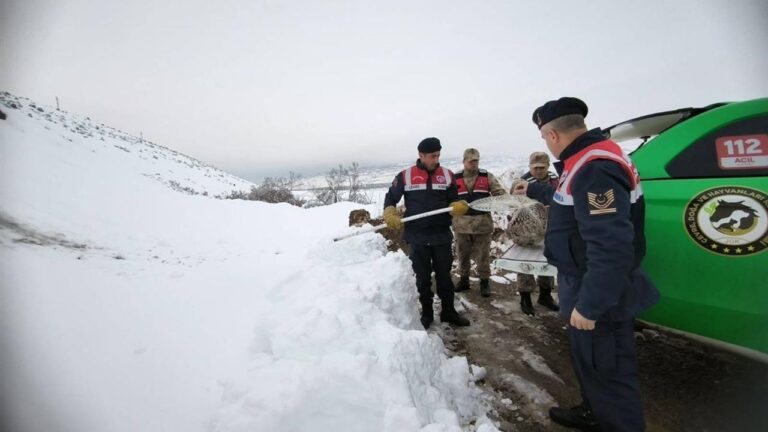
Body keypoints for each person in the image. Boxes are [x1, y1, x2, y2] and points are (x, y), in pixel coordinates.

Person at [514, 97, 659, 432]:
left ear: (552, 136)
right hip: (583, 280)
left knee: (608, 369)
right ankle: (594, 411)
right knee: (589, 362)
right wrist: (536, 190)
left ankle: (615, 420)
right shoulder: (584, 160)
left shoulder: (594, 166)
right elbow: (572, 203)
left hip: (596, 288)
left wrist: (591, 305)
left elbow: (610, 245)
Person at [383, 137, 472, 329]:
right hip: (417, 237)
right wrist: (389, 211)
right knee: (422, 278)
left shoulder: (447, 175)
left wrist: (457, 206)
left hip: (441, 235)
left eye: (438, 155)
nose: (436, 160)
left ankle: (448, 312)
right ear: (421, 155)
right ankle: (427, 313)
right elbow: (390, 197)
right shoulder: (406, 176)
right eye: (432, 156)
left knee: (444, 277)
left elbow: (453, 200)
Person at [452, 148, 508, 297]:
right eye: (470, 161)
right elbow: (447, 199)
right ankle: (464, 280)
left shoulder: (487, 176)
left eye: (476, 161)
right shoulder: (454, 178)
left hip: (482, 225)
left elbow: (499, 193)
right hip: (461, 225)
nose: (473, 164)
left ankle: (484, 282)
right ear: (464, 161)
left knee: (483, 256)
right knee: (462, 255)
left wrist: (499, 200)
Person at [511, 152, 560, 315]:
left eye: (542, 167)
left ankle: (545, 295)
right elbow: (512, 205)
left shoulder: (556, 180)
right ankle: (525, 297)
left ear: (548, 166)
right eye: (535, 168)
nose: (539, 171)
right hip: (527, 230)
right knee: (525, 262)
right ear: (530, 167)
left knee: (548, 260)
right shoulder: (521, 183)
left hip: (550, 227)